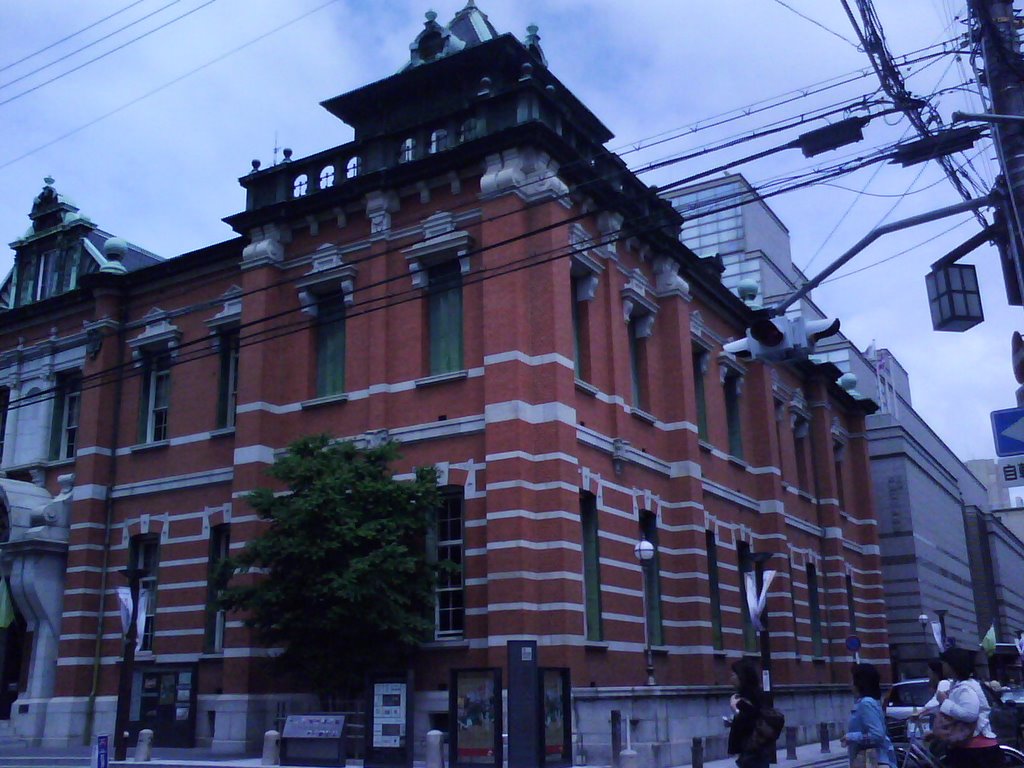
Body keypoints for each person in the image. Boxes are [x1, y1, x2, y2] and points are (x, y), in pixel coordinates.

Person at [935, 647, 1001, 767]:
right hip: (972, 747)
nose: (942, 667)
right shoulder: (960, 685)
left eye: (944, 664)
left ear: (952, 665)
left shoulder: (965, 688)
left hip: (974, 749)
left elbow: (970, 714)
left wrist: (945, 702)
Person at [842, 663, 898, 767]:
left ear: (859, 682)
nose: (850, 684)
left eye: (852, 679)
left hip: (873, 762)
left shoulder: (866, 703)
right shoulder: (870, 702)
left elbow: (877, 735)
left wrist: (851, 737)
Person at [727, 658, 771, 768]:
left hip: (753, 755)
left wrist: (736, 708)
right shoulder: (752, 695)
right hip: (752, 754)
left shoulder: (751, 697)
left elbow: (751, 721)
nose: (731, 678)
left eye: (734, 675)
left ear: (742, 677)